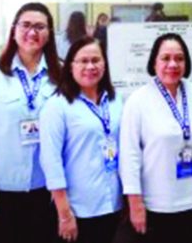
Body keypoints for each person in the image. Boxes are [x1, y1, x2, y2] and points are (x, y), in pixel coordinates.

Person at [0, 2, 62, 243]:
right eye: (26, 25)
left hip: (47, 189)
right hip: (1, 190)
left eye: (40, 27)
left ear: (49, 34)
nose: (33, 32)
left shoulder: (61, 74)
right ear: (13, 30)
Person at [119, 33, 192, 243]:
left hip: (190, 199)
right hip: (155, 202)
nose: (173, 64)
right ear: (154, 62)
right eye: (165, 58)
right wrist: (135, 203)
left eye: (179, 58)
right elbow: (129, 156)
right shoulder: (138, 101)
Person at [40, 37, 122, 243]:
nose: (90, 66)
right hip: (79, 209)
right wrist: (64, 214)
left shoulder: (115, 100)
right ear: (70, 66)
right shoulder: (57, 106)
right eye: (83, 61)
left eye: (96, 60)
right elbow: (51, 162)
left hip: (114, 203)